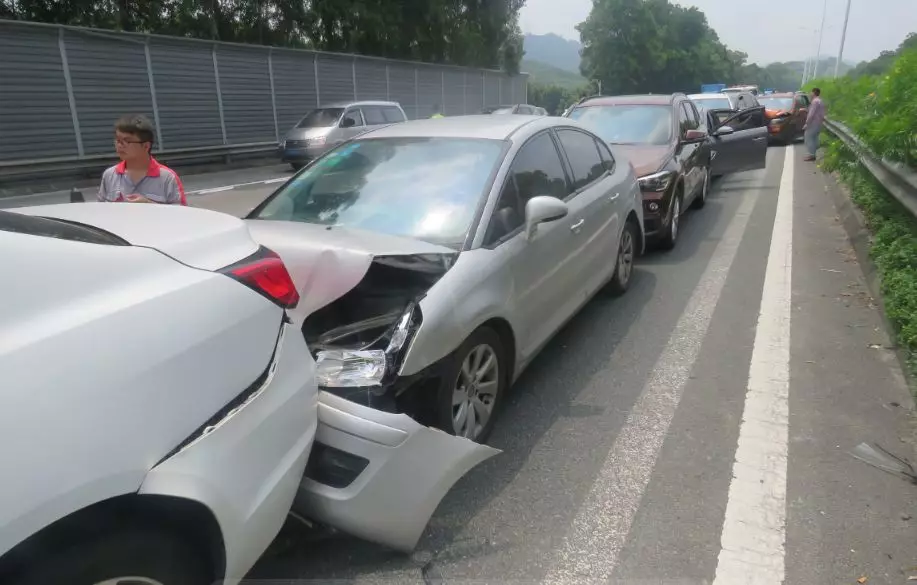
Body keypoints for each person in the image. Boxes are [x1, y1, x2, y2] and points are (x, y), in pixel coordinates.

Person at [98, 114, 187, 205]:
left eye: (127, 141)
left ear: (146, 146)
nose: (120, 145)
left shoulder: (167, 178)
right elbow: (102, 211)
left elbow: (181, 215)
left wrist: (149, 205)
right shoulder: (109, 175)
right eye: (118, 140)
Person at [803, 87, 825, 162]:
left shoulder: (814, 101)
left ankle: (811, 155)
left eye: (811, 92)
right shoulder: (820, 101)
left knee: (808, 137)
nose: (810, 94)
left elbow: (811, 114)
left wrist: (807, 123)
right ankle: (815, 153)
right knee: (815, 137)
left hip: (813, 123)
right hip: (819, 122)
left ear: (814, 93)